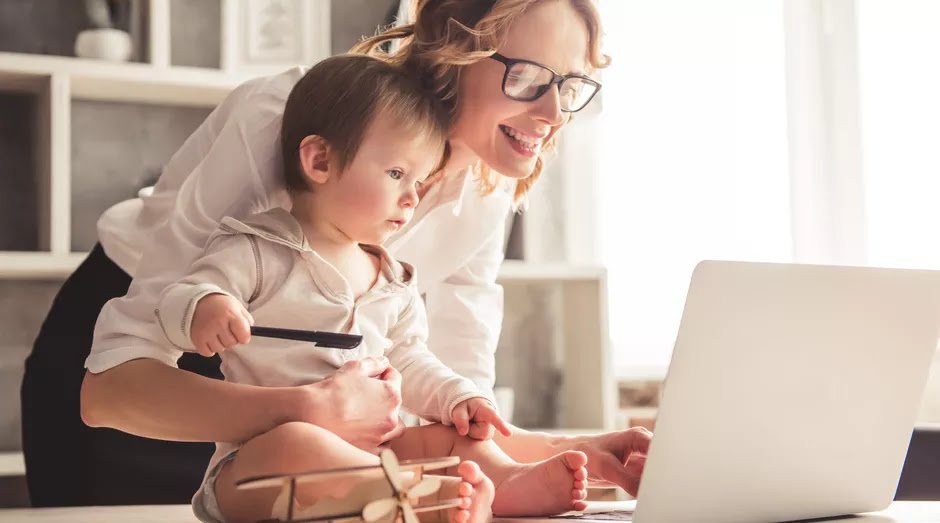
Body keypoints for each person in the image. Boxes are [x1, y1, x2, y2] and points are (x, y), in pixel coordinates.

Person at [23, 0, 651, 508]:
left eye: (569, 86)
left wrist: (564, 453)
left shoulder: (487, 183)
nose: (552, 113)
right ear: (452, 52)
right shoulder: (292, 117)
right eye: (529, 77)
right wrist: (308, 409)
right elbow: (109, 391)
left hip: (320, 425)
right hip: (164, 372)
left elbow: (457, 412)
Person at [173, 54, 597, 522]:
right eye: (397, 174)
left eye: (419, 180)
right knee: (300, 442)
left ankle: (507, 480)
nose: (412, 197)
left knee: (448, 435)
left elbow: (411, 359)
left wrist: (458, 397)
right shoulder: (256, 249)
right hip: (254, 469)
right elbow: (184, 292)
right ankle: (416, 499)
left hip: (376, 453)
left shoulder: (392, 280)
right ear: (320, 160)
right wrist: (206, 304)